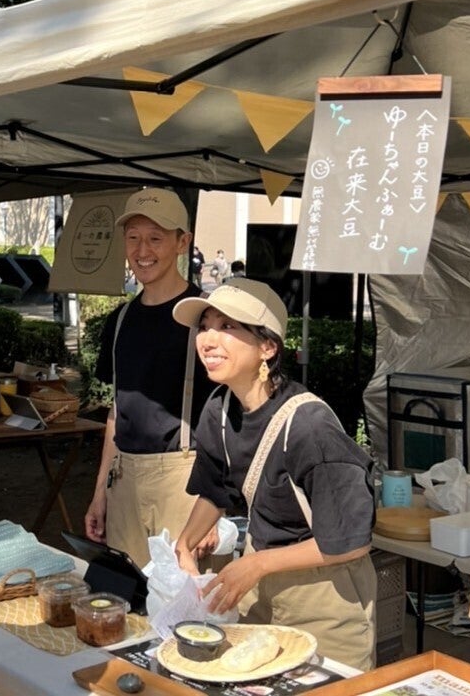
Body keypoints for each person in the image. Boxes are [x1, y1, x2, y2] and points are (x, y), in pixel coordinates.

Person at [171, 279, 376, 670]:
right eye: (205, 326)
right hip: (257, 591)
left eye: (227, 327)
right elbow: (216, 491)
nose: (208, 340)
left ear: (267, 347)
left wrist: (258, 564)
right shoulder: (219, 409)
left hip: (325, 598)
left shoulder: (309, 427)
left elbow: (351, 542)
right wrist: (184, 545)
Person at [85, 188, 216, 567]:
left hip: (186, 484)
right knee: (128, 595)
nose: (143, 251)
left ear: (182, 242)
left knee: (186, 599)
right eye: (133, 238)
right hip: (124, 481)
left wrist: (215, 505)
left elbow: (228, 417)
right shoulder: (120, 320)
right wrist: (100, 493)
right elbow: (117, 412)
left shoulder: (207, 318)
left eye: (156, 238)